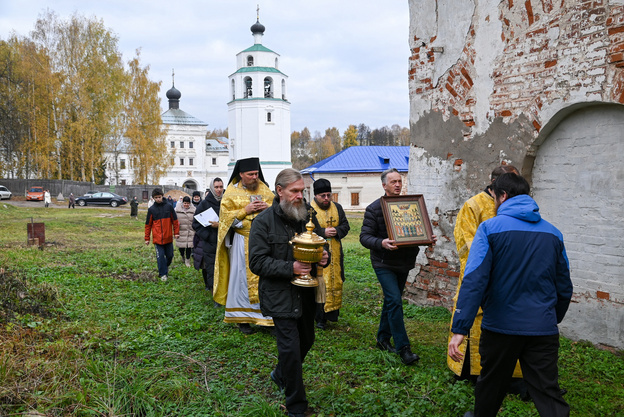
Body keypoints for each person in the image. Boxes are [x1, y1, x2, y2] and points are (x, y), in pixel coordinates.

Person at [448, 173, 573, 417]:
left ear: (502, 196)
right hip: (542, 328)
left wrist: (460, 328)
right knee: (548, 391)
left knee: (492, 384)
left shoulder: (489, 229)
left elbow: (474, 280)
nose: (493, 202)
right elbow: (564, 286)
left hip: (500, 328)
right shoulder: (554, 233)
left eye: (494, 197)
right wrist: (550, 317)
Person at [249, 168, 329, 417]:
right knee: (291, 350)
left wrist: (322, 257)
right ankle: (296, 407)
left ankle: (279, 374)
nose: (299, 196)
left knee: (307, 340)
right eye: (294, 191)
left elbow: (319, 244)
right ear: (280, 191)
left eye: (302, 191)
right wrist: (290, 267)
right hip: (280, 293)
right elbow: (257, 262)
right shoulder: (263, 222)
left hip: (306, 293)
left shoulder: (307, 215)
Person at [449, 165, 521, 381]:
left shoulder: (514, 206)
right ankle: (471, 372)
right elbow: (467, 244)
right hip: (482, 277)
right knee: (475, 320)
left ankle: (513, 375)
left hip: (509, 279)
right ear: (498, 186)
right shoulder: (473, 206)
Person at [360, 168, 434, 365]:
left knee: (392, 301)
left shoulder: (410, 206)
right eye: (393, 182)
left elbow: (416, 230)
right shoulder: (374, 209)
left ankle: (382, 339)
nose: (398, 185)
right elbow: (364, 237)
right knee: (395, 301)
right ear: (384, 185)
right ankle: (404, 348)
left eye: (400, 181)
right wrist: (381, 242)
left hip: (404, 262)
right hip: (383, 263)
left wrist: (427, 236)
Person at [214, 157, 274, 333]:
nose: (255, 177)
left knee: (266, 278)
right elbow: (224, 219)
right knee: (240, 280)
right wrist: (244, 211)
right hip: (242, 242)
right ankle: (242, 319)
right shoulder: (231, 192)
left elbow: (276, 209)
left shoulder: (264, 189)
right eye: (251, 174)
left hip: (263, 242)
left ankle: (267, 318)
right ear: (241, 174)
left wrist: (267, 209)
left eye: (256, 173)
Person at [310, 178, 350, 330]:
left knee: (335, 280)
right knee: (319, 283)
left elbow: (346, 225)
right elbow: (304, 230)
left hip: (335, 251)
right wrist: (322, 232)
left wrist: (337, 231)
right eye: (323, 196)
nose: (326, 198)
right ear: (315, 196)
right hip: (316, 253)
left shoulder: (337, 207)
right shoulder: (309, 209)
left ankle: (332, 315)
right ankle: (319, 318)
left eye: (329, 195)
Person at [193, 179, 224, 298]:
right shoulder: (204, 204)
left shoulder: (226, 202)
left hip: (224, 241)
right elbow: (196, 224)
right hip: (210, 243)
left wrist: (220, 225)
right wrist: (208, 235)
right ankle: (215, 295)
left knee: (223, 267)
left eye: (221, 187)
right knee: (211, 268)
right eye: (216, 187)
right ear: (212, 188)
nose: (219, 190)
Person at [145, 188, 180, 282]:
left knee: (170, 256)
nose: (158, 199)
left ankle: (165, 266)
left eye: (159, 197)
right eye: (156, 198)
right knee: (160, 257)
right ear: (153, 198)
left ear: (162, 196)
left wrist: (176, 232)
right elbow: (148, 225)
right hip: (157, 239)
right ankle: (163, 274)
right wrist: (147, 238)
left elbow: (175, 221)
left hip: (168, 238)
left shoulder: (169, 207)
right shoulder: (151, 210)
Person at [175, 196, 196, 267]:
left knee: (189, 247)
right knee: (181, 247)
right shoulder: (177, 210)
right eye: (185, 203)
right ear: (182, 203)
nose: (186, 205)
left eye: (188, 203)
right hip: (181, 231)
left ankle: (187, 260)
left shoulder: (194, 210)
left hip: (190, 231)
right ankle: (182, 256)